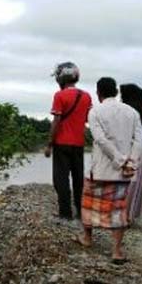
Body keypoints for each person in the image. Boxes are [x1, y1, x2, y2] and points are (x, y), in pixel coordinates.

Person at [77, 77, 142, 263]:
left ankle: (87, 238)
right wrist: (130, 162)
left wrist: (120, 160)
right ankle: (116, 250)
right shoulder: (132, 112)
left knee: (88, 203)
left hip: (101, 168)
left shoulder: (95, 112)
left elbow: (100, 140)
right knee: (118, 210)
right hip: (124, 171)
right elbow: (139, 141)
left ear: (98, 93)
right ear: (115, 91)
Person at [45, 62, 92, 224]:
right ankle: (80, 212)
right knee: (78, 179)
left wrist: (49, 143)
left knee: (61, 179)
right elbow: (87, 119)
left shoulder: (59, 96)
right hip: (79, 144)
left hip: (61, 143)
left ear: (60, 78)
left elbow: (56, 121)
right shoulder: (86, 96)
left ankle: (65, 213)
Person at [121, 84, 142, 225]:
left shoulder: (127, 112)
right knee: (136, 184)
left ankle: (122, 215)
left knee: (125, 183)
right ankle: (130, 215)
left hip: (131, 149)